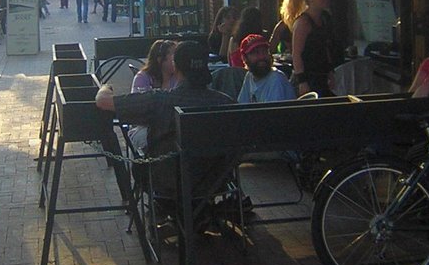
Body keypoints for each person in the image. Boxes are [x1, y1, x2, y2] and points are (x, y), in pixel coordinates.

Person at [96, 41, 234, 202]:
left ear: (176, 67)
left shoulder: (159, 100)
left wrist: (105, 87)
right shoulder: (226, 102)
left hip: (167, 181)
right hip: (215, 180)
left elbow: (103, 102)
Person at [282, 0, 341, 97]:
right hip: (307, 77)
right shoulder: (303, 23)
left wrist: (330, 71)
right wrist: (302, 81)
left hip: (321, 75)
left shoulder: (325, 18)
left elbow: (326, 47)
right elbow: (296, 54)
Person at [127, 39, 179, 154]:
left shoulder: (179, 77)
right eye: (174, 56)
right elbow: (138, 110)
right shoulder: (143, 78)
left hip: (170, 128)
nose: (179, 60)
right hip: (143, 128)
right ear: (160, 60)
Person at [237, 34, 296, 103]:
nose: (262, 57)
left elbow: (273, 112)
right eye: (256, 53)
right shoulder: (249, 76)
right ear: (244, 58)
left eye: (264, 51)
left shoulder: (276, 79)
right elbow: (242, 106)